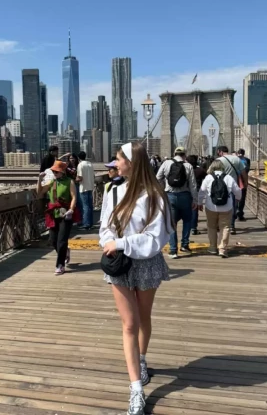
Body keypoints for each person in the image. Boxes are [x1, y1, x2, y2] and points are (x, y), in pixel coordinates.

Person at [100, 141, 173, 415]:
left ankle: (141, 359)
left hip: (146, 263)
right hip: (119, 264)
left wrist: (120, 243)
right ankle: (136, 389)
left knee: (143, 318)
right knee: (129, 324)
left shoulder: (155, 196)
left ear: (132, 162)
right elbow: (105, 227)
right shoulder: (113, 191)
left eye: (119, 158)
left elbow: (155, 239)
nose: (115, 163)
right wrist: (109, 242)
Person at [156, 147, 197, 257]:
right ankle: (184, 245)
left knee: (172, 223)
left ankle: (173, 250)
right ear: (185, 155)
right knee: (187, 221)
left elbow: (157, 178)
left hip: (170, 196)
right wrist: (195, 200)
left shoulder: (166, 163)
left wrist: (163, 189)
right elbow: (193, 185)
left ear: (174, 154)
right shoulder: (188, 165)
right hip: (185, 196)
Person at [37, 161, 77, 275]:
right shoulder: (52, 182)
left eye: (56, 171)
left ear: (62, 171)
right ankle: (65, 252)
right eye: (53, 171)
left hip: (65, 213)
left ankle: (60, 265)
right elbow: (40, 193)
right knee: (53, 240)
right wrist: (39, 179)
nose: (54, 173)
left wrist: (71, 209)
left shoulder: (70, 182)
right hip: (53, 213)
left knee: (62, 240)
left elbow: (74, 197)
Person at [198, 160, 241, 258]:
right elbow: (237, 191)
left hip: (211, 207)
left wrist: (199, 203)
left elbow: (202, 191)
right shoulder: (228, 177)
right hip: (226, 207)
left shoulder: (208, 177)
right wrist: (238, 198)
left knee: (211, 226)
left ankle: (213, 247)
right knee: (225, 227)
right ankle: (222, 249)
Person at [216, 146, 248, 235]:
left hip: (221, 187)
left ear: (220, 152)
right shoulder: (236, 159)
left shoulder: (218, 160)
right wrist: (245, 183)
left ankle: (220, 224)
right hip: (233, 186)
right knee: (233, 206)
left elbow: (211, 173)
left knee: (219, 204)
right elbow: (244, 173)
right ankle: (232, 226)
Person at [186, 155, 207, 235]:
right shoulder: (200, 170)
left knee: (186, 209)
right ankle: (193, 228)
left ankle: (187, 227)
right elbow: (207, 178)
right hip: (197, 191)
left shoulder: (185, 170)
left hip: (186, 191)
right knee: (194, 209)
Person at [77, 151, 95, 230]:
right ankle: (90, 223)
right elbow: (93, 175)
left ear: (78, 158)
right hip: (90, 187)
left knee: (85, 207)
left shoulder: (80, 165)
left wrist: (74, 180)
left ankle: (86, 224)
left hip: (83, 188)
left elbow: (80, 178)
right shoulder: (90, 164)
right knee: (90, 206)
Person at [236, 149, 251, 222]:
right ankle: (240, 213)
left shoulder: (235, 159)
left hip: (236, 180)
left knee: (235, 197)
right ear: (244, 153)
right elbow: (247, 170)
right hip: (243, 180)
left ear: (237, 153)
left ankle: (235, 212)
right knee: (242, 197)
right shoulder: (247, 160)